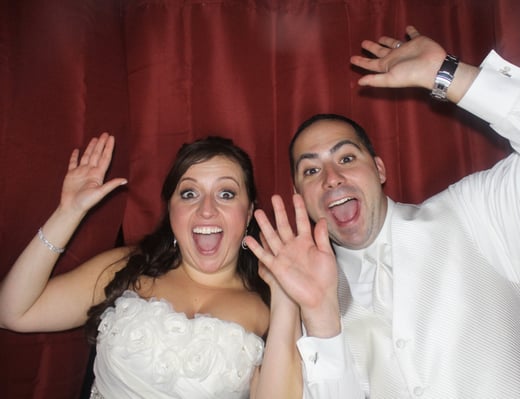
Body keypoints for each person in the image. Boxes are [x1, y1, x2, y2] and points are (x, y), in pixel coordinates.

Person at [245, 25, 520, 398]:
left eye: (346, 157)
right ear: (299, 195)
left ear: (379, 170)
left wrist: (448, 74)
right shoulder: (304, 295)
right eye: (311, 170)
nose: (331, 178)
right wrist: (319, 314)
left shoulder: (475, 215)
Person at [0, 133, 302, 399]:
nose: (206, 209)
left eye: (226, 194)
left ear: (248, 212)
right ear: (170, 209)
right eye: (189, 193)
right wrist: (69, 212)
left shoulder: (271, 303)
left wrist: (286, 296)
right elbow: (13, 312)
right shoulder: (127, 267)